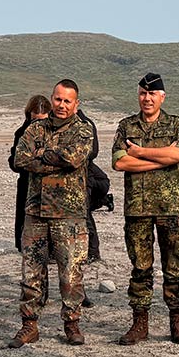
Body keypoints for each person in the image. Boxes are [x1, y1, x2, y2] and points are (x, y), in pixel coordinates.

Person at [7, 79, 95, 348]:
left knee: (70, 275)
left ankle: (72, 324)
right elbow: (20, 159)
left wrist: (41, 157)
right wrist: (54, 159)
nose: (61, 105)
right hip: (35, 213)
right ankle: (29, 325)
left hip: (69, 215)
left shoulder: (83, 130)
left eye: (68, 101)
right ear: (52, 98)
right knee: (31, 273)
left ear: (76, 104)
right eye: (58, 99)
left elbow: (74, 159)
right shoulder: (35, 128)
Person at [112, 73, 179, 345]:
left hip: (170, 208)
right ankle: (139, 323)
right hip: (137, 209)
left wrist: (140, 153)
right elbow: (120, 163)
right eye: (143, 94)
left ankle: (177, 322)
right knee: (140, 268)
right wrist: (162, 159)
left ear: (162, 97)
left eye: (152, 94)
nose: (147, 99)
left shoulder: (176, 124)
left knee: (174, 267)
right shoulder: (126, 126)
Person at [9, 95, 52, 252]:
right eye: (35, 121)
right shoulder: (22, 133)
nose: (38, 125)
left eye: (43, 120)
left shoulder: (56, 133)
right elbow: (16, 162)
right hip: (27, 184)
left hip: (51, 185)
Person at [78, 109, 113, 265]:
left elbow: (92, 153)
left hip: (91, 177)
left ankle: (93, 252)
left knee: (84, 214)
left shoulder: (85, 124)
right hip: (91, 177)